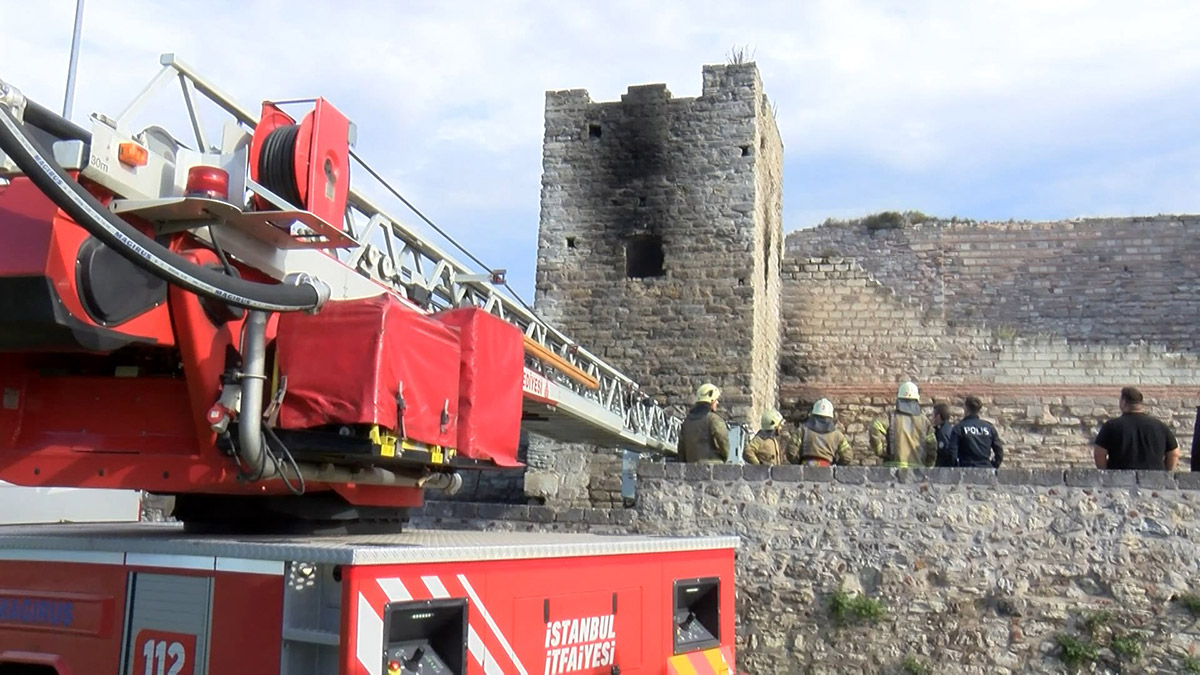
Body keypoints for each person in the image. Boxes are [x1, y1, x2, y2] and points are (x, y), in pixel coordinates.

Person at [1093, 386, 1179, 471]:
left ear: (1123, 402)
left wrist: (1106, 473)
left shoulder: (1111, 426)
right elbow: (1174, 453)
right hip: (1154, 479)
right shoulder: (1160, 426)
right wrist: (1167, 474)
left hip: (1120, 479)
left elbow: (1099, 453)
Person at [870, 382, 936, 468]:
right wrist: (929, 464)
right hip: (917, 471)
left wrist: (880, 452)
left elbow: (875, 427)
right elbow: (932, 446)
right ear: (917, 400)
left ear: (898, 399)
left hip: (893, 470)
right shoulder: (924, 421)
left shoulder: (890, 417)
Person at [789, 398, 852, 467]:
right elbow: (847, 457)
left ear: (813, 414)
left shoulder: (802, 431)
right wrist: (836, 466)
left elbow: (791, 452)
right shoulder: (838, 435)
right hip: (827, 469)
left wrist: (799, 464)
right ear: (831, 416)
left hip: (806, 469)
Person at [679, 383, 730, 464]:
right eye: (716, 400)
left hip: (691, 468)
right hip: (713, 467)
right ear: (712, 401)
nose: (717, 402)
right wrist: (724, 457)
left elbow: (681, 448)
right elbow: (723, 440)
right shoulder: (714, 419)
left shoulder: (687, 422)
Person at [950, 395, 1003, 468]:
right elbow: (999, 451)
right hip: (985, 470)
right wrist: (993, 466)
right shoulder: (989, 428)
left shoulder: (959, 428)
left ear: (965, 408)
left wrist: (957, 468)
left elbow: (952, 454)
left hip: (966, 469)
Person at [932, 402, 955, 467]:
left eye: (933, 415)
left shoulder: (942, 432)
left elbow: (942, 451)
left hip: (943, 467)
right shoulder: (950, 428)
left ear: (938, 416)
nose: (932, 418)